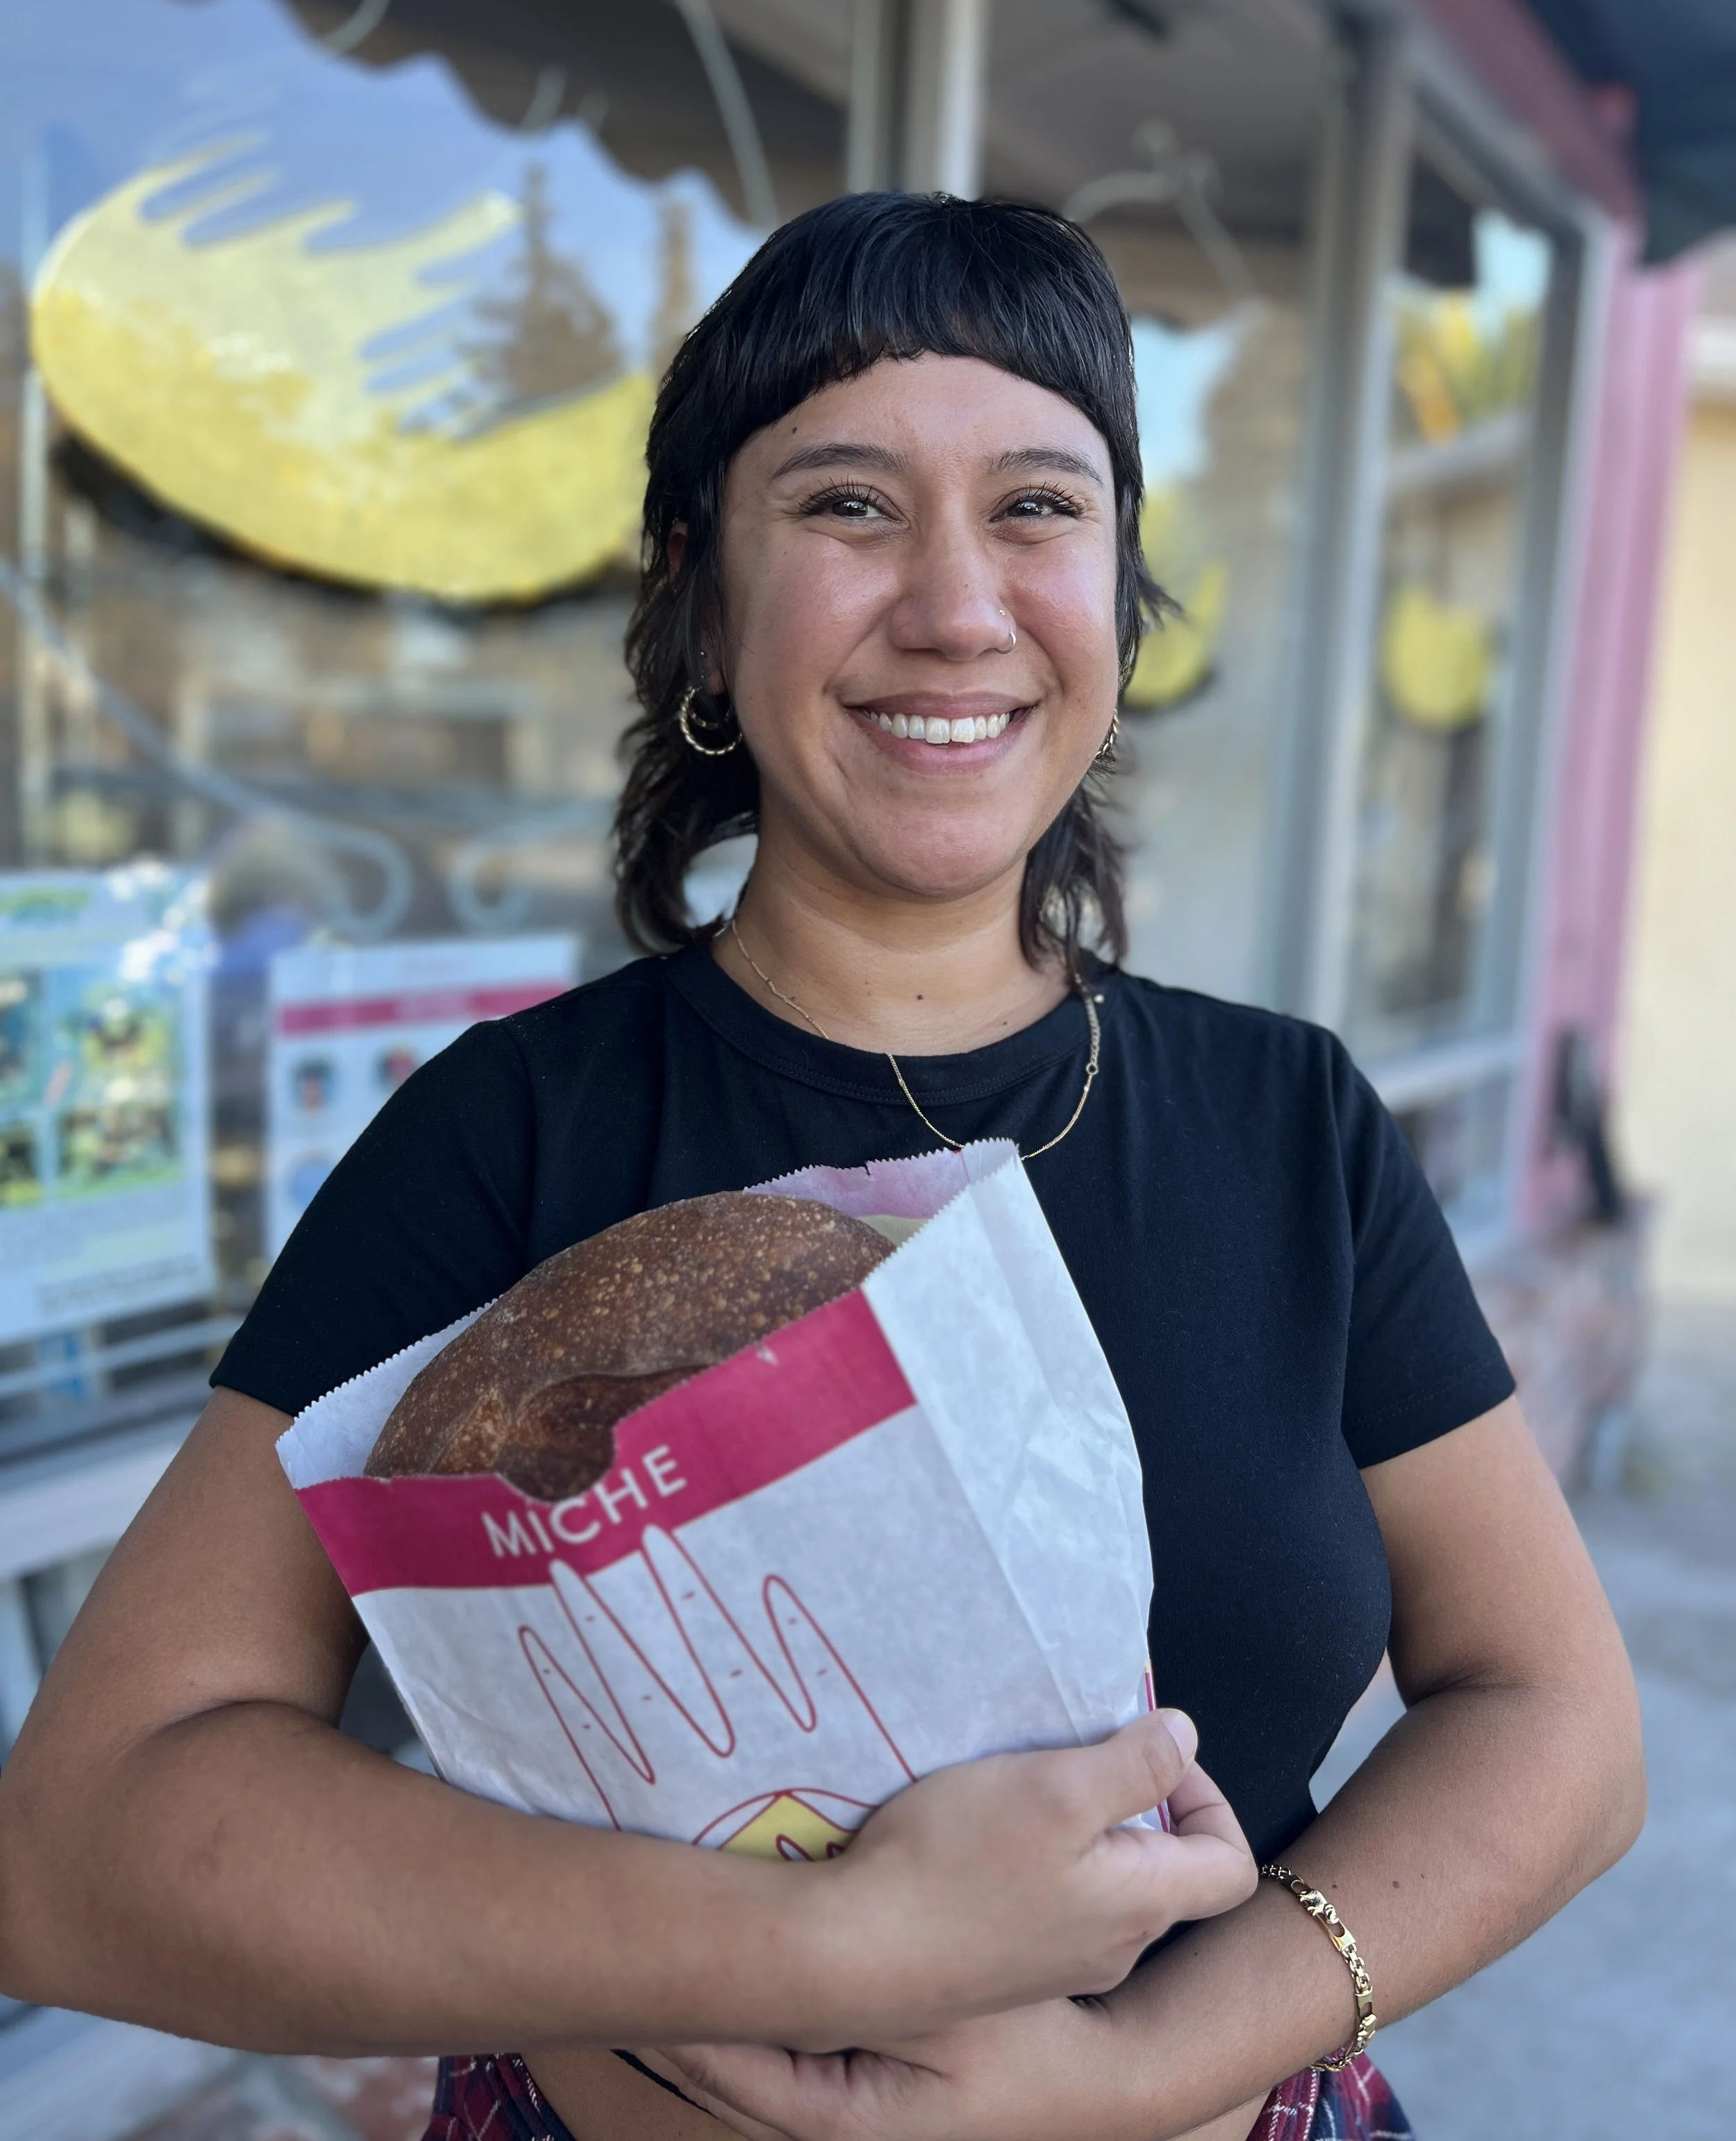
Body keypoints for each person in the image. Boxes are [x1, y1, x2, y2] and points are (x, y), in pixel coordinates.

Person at [0, 194, 1643, 2141]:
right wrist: (828, 1949)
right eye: (848, 504)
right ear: (700, 592)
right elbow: (84, 1847)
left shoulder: (1288, 1124)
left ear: (1116, 592)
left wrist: (1129, 2066)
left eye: (1039, 505)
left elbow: (1559, 1721)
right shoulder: (513, 1133)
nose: (955, 602)